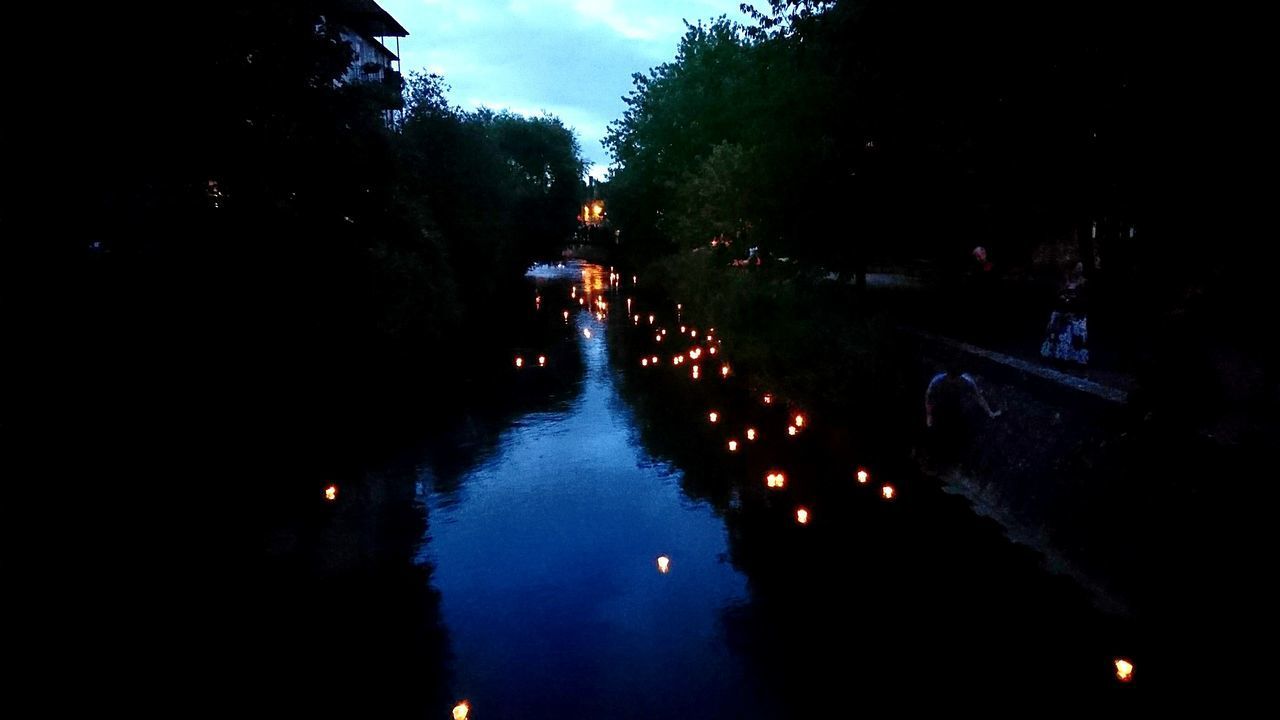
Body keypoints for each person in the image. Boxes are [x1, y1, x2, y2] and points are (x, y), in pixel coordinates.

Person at [1040, 261, 1089, 364]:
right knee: (1059, 334)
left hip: (1076, 315)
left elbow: (1085, 300)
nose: (1080, 270)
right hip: (1061, 313)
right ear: (1072, 269)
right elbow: (1055, 297)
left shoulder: (1084, 283)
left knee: (1075, 338)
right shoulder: (1063, 282)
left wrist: (1073, 311)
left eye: (1081, 268)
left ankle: (1075, 359)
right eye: (1078, 267)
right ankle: (1058, 356)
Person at [925, 368, 1002, 428]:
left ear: (960, 376)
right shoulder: (938, 380)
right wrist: (929, 415)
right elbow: (929, 396)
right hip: (942, 407)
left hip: (959, 408)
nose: (953, 382)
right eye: (951, 379)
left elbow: (979, 397)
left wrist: (989, 412)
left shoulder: (967, 381)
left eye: (955, 379)